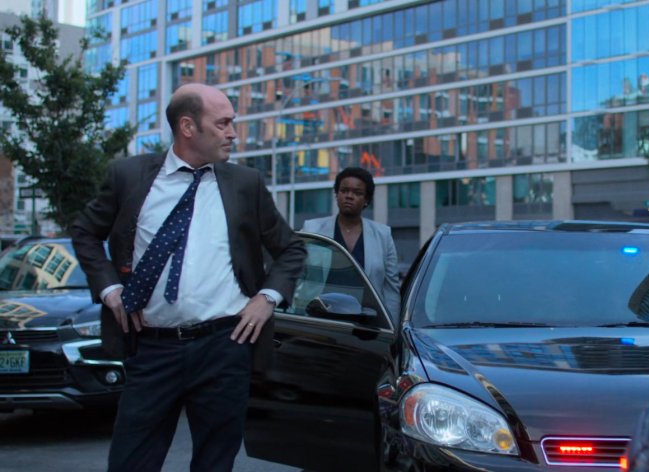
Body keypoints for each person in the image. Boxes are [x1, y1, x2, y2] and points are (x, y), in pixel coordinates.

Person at [69, 83, 307, 472]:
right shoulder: (128, 177)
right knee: (130, 462)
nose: (233, 133)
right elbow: (85, 233)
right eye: (224, 123)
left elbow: (291, 249)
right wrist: (111, 290)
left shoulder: (245, 184)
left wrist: (267, 298)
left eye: (233, 123)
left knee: (215, 463)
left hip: (225, 346)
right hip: (152, 349)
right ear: (188, 126)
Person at [302, 167, 400, 322]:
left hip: (366, 323)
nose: (349, 196)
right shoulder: (312, 229)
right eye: (344, 190)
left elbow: (391, 289)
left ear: (366, 199)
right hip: (318, 319)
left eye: (357, 193)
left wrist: (392, 328)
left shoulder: (383, 235)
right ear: (337, 194)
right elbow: (296, 273)